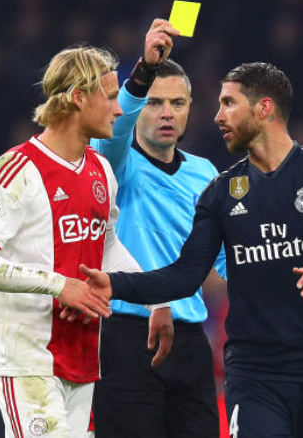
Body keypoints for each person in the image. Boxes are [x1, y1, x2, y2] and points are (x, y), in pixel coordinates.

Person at [77, 62, 303, 438]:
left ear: (264, 108)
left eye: (229, 104)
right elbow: (186, 274)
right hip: (252, 373)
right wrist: (116, 284)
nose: (217, 116)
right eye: (219, 105)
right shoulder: (220, 191)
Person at [0, 23, 176, 438]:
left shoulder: (101, 170)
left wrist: (156, 300)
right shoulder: (16, 171)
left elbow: (104, 244)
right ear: (78, 97)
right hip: (26, 359)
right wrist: (60, 285)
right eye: (110, 97)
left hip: (81, 356)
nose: (118, 110)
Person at [89, 40, 226, 435]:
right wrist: (144, 71)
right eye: (154, 103)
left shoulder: (206, 173)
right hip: (126, 334)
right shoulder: (115, 164)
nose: (167, 112)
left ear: (190, 109)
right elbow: (113, 135)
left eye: (177, 103)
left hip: (190, 337)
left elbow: (223, 260)